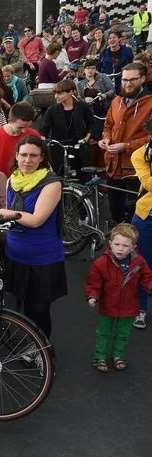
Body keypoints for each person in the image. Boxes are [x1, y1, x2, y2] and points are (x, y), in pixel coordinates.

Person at [0, 136, 67, 337]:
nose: (27, 160)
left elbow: (36, 220)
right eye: (23, 155)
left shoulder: (52, 184)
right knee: (20, 306)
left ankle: (42, 351)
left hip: (42, 259)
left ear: (42, 158)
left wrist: (5, 213)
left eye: (33, 156)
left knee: (38, 310)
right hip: (15, 255)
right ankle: (28, 344)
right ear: (16, 156)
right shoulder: (12, 179)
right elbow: (10, 220)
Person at [85, 223, 152, 371]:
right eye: (117, 244)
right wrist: (92, 295)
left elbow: (147, 278)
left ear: (133, 247)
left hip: (129, 306)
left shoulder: (139, 263)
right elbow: (94, 282)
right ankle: (100, 357)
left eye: (125, 245)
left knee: (123, 334)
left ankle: (118, 356)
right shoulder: (101, 263)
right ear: (110, 244)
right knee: (103, 333)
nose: (120, 248)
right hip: (108, 306)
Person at [99, 63, 152, 223]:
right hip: (113, 167)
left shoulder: (150, 104)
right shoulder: (116, 101)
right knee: (116, 214)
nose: (127, 84)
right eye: (124, 80)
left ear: (143, 79)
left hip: (136, 171)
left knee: (135, 219)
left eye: (133, 80)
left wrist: (126, 146)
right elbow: (108, 124)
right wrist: (105, 138)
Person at [41, 80, 94, 176]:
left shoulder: (83, 107)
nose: (56, 96)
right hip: (59, 150)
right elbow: (44, 130)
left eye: (60, 93)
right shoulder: (52, 110)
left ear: (71, 92)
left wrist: (87, 137)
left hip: (79, 148)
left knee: (82, 177)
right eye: (55, 93)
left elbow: (91, 123)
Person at [0, 101, 41, 176]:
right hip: (2, 180)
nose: (24, 131)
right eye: (20, 127)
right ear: (10, 121)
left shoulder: (34, 134)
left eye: (27, 127)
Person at [129, 136, 152, 328]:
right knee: (141, 264)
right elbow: (149, 183)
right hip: (146, 218)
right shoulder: (140, 154)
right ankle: (140, 309)